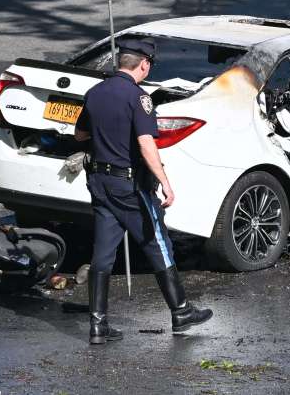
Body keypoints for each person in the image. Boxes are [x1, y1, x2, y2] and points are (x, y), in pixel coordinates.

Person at [73, 36, 212, 344]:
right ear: (144, 65)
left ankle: (98, 324)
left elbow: (79, 134)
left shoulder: (95, 93)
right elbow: (145, 143)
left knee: (103, 252)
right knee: (158, 242)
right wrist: (164, 180)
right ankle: (181, 311)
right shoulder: (139, 98)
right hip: (129, 184)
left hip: (99, 182)